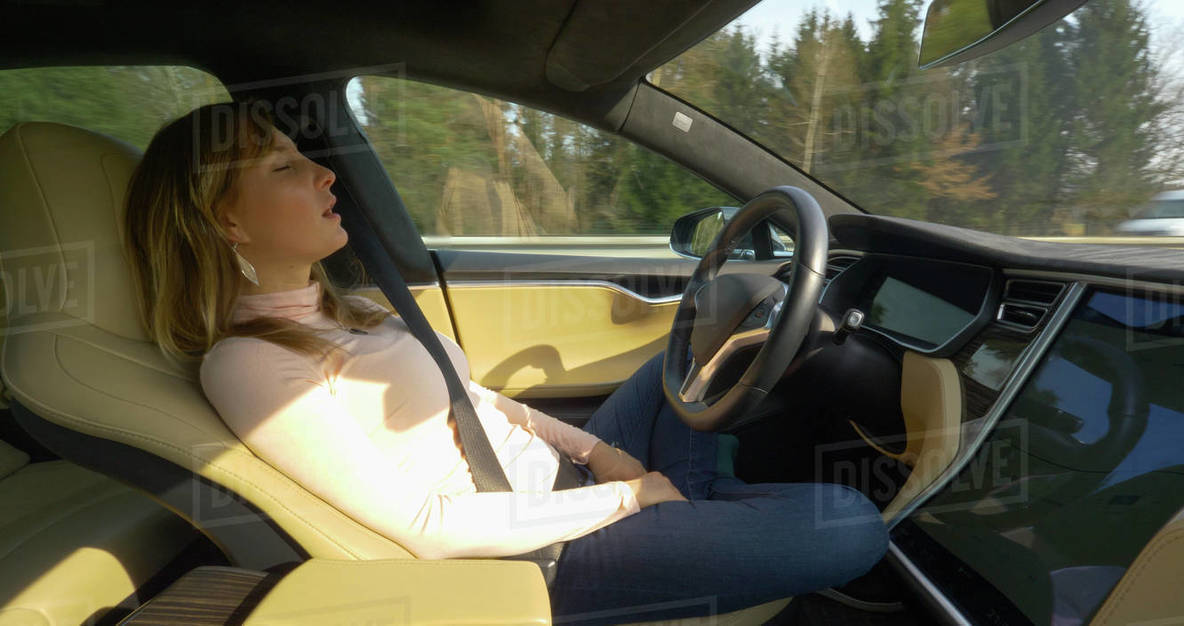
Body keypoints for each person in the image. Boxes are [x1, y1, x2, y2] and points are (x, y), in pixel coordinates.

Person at [123, 102, 889, 624]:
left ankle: (700, 515)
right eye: (285, 168)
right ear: (224, 219)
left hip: (569, 487)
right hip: (541, 551)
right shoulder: (247, 364)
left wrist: (603, 453)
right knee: (852, 525)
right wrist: (626, 501)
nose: (324, 176)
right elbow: (425, 529)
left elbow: (479, 400)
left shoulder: (347, 311)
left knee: (691, 351)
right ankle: (704, 517)